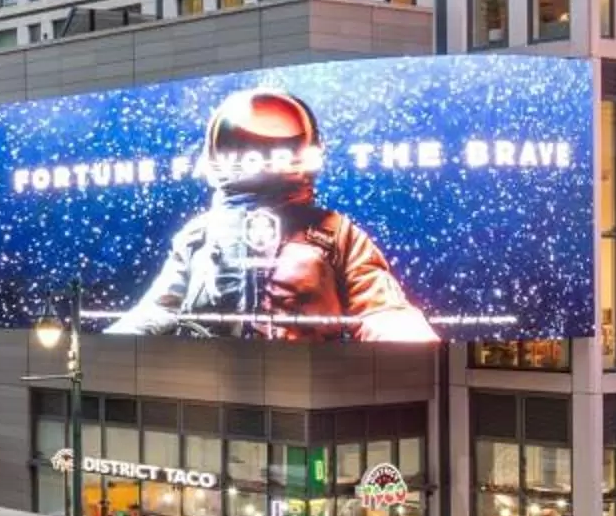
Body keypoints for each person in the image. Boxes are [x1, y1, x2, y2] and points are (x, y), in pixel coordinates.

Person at [105, 88, 438, 343]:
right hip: (210, 375)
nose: (260, 157)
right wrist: (105, 351)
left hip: (310, 380)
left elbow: (383, 310)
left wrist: (412, 339)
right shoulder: (199, 236)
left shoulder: (335, 233)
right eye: (249, 147)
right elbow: (159, 309)